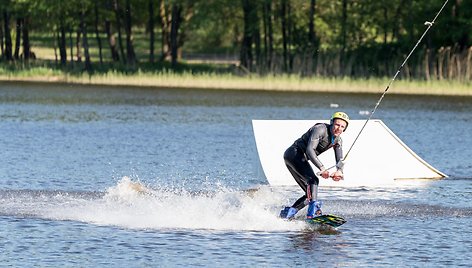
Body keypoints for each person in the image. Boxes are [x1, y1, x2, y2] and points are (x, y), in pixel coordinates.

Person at [280, 112, 349, 220]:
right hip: (294, 154)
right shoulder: (320, 129)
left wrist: (339, 171)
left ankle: (287, 214)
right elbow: (309, 150)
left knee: (310, 194)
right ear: (331, 123)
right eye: (337, 125)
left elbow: (340, 160)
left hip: (298, 159)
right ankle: (312, 214)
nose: (339, 128)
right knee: (313, 181)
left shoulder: (338, 140)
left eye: (342, 127)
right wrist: (322, 169)